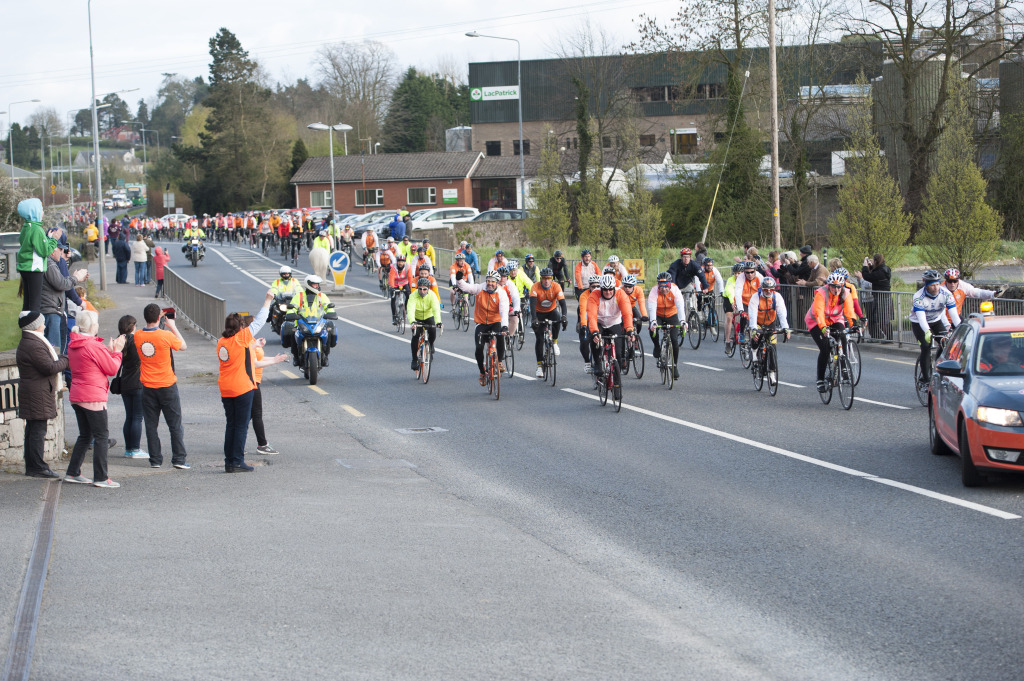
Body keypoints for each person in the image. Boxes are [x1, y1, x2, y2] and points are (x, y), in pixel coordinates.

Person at [218, 293, 287, 473]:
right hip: (242, 387)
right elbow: (260, 320)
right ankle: (237, 461)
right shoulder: (241, 338)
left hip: (225, 388)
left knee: (231, 425)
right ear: (241, 328)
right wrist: (267, 301)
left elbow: (241, 354)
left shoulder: (222, 342)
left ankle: (229, 461)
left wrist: (254, 346)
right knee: (241, 427)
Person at [65, 310, 125, 488]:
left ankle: (73, 472)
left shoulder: (74, 343)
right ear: (93, 326)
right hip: (93, 397)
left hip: (77, 395)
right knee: (101, 436)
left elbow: (93, 362)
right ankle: (100, 477)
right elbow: (112, 369)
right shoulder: (93, 345)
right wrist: (117, 352)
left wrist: (109, 351)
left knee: (85, 435)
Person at [136, 303, 190, 469]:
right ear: (159, 317)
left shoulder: (138, 336)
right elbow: (183, 346)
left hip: (147, 386)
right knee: (174, 425)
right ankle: (179, 459)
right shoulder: (165, 335)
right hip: (167, 385)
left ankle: (155, 460)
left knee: (151, 426)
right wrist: (173, 326)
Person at [16, 311, 68, 479]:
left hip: (34, 391)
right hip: (36, 392)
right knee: (37, 430)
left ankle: (33, 465)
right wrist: (65, 360)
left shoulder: (30, 342)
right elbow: (49, 368)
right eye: (42, 323)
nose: (44, 325)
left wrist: (58, 359)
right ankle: (37, 466)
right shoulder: (34, 345)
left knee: (33, 430)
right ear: (34, 326)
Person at [454, 270, 509, 385]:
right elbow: (467, 287)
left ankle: (500, 361)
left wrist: (504, 327)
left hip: (495, 321)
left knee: (500, 336)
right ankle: (482, 373)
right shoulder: (480, 288)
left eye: (493, 282)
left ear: (497, 283)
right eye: (488, 281)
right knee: (479, 348)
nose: (490, 283)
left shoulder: (502, 293)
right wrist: (459, 280)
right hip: (481, 322)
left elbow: (504, 312)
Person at [805, 272, 858, 393]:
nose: (836, 289)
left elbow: (849, 310)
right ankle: (820, 379)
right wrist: (823, 327)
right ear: (829, 285)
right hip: (816, 322)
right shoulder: (821, 293)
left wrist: (853, 324)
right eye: (833, 286)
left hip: (835, 319)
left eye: (839, 286)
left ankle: (844, 367)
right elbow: (818, 312)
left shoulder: (846, 293)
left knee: (843, 335)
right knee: (825, 349)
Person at [911, 270, 960, 386]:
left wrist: (960, 330)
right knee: (926, 347)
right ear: (927, 286)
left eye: (937, 284)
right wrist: (927, 332)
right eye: (932, 285)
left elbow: (955, 317)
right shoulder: (918, 297)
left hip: (936, 321)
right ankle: (925, 379)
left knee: (946, 344)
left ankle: (938, 365)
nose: (936, 287)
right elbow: (922, 319)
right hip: (919, 323)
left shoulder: (946, 294)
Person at [16, 198, 61, 313]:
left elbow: (29, 244)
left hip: (25, 268)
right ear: (34, 212)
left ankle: (25, 325)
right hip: (34, 268)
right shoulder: (37, 229)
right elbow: (44, 251)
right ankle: (34, 327)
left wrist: (48, 239)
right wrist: (53, 240)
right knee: (35, 305)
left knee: (27, 303)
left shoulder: (26, 227)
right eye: (40, 209)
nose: (43, 212)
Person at [587, 274, 635, 384]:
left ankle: (617, 383)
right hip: (599, 322)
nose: (608, 292)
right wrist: (595, 332)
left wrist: (629, 329)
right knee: (595, 340)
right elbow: (592, 316)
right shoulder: (594, 295)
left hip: (614, 322)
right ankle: (598, 364)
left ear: (614, 288)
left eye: (610, 289)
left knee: (618, 354)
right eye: (605, 289)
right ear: (601, 289)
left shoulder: (621, 294)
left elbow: (627, 314)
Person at [284, 276, 337, 366]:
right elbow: (292, 307)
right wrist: (291, 313)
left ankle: (326, 356)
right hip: (302, 324)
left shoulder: (321, 296)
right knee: (293, 333)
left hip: (318, 323)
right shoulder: (299, 296)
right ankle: (296, 357)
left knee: (328, 330)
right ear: (308, 284)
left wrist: (331, 312)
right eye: (314, 284)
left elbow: (328, 306)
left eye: (317, 284)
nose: (316, 286)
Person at [42, 245, 87, 350]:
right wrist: (76, 278)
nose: (63, 252)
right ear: (53, 251)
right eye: (60, 250)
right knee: (55, 348)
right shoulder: (50, 264)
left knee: (56, 346)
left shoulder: (53, 263)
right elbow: (61, 284)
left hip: (52, 308)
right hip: (51, 309)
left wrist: (75, 278)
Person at [116, 315, 147, 459]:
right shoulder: (136, 341)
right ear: (133, 326)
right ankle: (135, 448)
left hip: (125, 383)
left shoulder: (120, 341)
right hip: (138, 382)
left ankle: (129, 448)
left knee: (129, 416)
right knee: (137, 417)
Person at [529, 268, 567, 376]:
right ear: (541, 278)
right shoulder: (535, 286)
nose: (546, 281)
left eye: (549, 278)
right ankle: (539, 366)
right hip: (538, 313)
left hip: (551, 311)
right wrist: (534, 318)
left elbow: (563, 303)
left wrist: (564, 317)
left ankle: (554, 342)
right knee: (540, 339)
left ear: (552, 279)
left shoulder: (556, 286)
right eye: (544, 278)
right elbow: (532, 305)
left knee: (558, 317)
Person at [646, 273, 685, 379]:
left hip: (672, 315)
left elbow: (680, 307)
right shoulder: (654, 291)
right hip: (658, 315)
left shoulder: (675, 290)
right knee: (652, 328)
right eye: (661, 286)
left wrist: (682, 321)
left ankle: (675, 366)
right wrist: (653, 322)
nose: (663, 289)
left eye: (666, 286)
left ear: (670, 284)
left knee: (674, 340)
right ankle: (657, 346)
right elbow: (652, 307)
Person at [746, 277, 792, 363]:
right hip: (757, 322)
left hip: (770, 322)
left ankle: (771, 372)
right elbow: (752, 314)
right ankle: (754, 350)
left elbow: (782, 313)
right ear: (761, 289)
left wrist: (785, 328)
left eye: (771, 289)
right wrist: (754, 328)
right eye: (766, 289)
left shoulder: (777, 297)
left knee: (772, 345)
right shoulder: (756, 297)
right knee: (757, 336)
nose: (768, 291)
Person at [249, 338, 279, 455]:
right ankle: (262, 444)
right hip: (252, 381)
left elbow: (258, 359)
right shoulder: (246, 340)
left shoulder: (249, 339)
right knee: (256, 413)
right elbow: (255, 363)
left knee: (247, 415)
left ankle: (235, 443)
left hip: (252, 380)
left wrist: (276, 359)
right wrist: (274, 361)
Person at [407, 277, 443, 372]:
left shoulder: (432, 295)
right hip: (417, 318)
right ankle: (414, 359)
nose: (422, 291)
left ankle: (430, 346)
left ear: (428, 289)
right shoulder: (413, 295)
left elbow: (436, 309)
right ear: (417, 288)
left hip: (428, 317)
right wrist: (412, 322)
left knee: (433, 332)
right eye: (420, 289)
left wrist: (438, 322)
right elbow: (410, 309)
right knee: (415, 336)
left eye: (425, 289)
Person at [861, 253, 892, 340]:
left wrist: (865, 267)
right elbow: (874, 273)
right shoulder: (884, 269)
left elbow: (868, 276)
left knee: (883, 319)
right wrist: (870, 266)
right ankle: (887, 338)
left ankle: (890, 338)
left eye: (873, 261)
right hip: (880, 296)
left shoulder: (881, 271)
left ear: (876, 261)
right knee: (878, 318)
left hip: (882, 297)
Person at [577, 274, 602, 373]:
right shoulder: (584, 295)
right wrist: (583, 324)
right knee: (585, 340)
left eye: (597, 286)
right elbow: (583, 311)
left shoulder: (602, 293)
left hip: (598, 318)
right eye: (593, 286)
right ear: (589, 287)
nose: (596, 288)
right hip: (586, 318)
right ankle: (587, 362)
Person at [388, 255, 413, 325]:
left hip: (404, 283)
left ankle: (405, 310)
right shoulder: (393, 267)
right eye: (399, 261)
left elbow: (410, 278)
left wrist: (412, 288)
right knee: (393, 299)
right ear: (397, 262)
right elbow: (391, 278)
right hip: (395, 284)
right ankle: (394, 316)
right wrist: (392, 287)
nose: (400, 263)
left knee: (409, 296)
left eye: (402, 262)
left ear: (404, 262)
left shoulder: (408, 267)